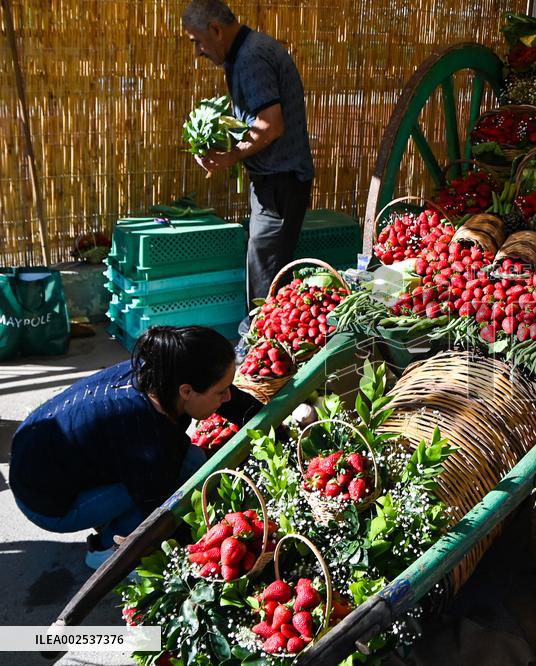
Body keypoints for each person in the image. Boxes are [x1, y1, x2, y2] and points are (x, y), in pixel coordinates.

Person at [8, 326, 262, 569]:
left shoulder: (161, 369)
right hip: (44, 503)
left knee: (187, 460)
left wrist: (270, 425)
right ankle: (104, 550)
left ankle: (107, 514)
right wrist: (205, 543)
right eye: (221, 392)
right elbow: (159, 510)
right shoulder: (145, 432)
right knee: (187, 473)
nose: (228, 396)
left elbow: (230, 400)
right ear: (186, 391)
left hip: (41, 458)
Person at [181, 0, 315, 305]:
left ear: (215, 29)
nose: (198, 51)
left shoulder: (250, 58)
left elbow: (270, 126)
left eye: (197, 42)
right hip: (277, 180)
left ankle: (262, 343)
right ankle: (270, 339)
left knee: (266, 274)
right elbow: (256, 120)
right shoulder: (248, 51)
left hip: (281, 183)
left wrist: (230, 156)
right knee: (270, 269)